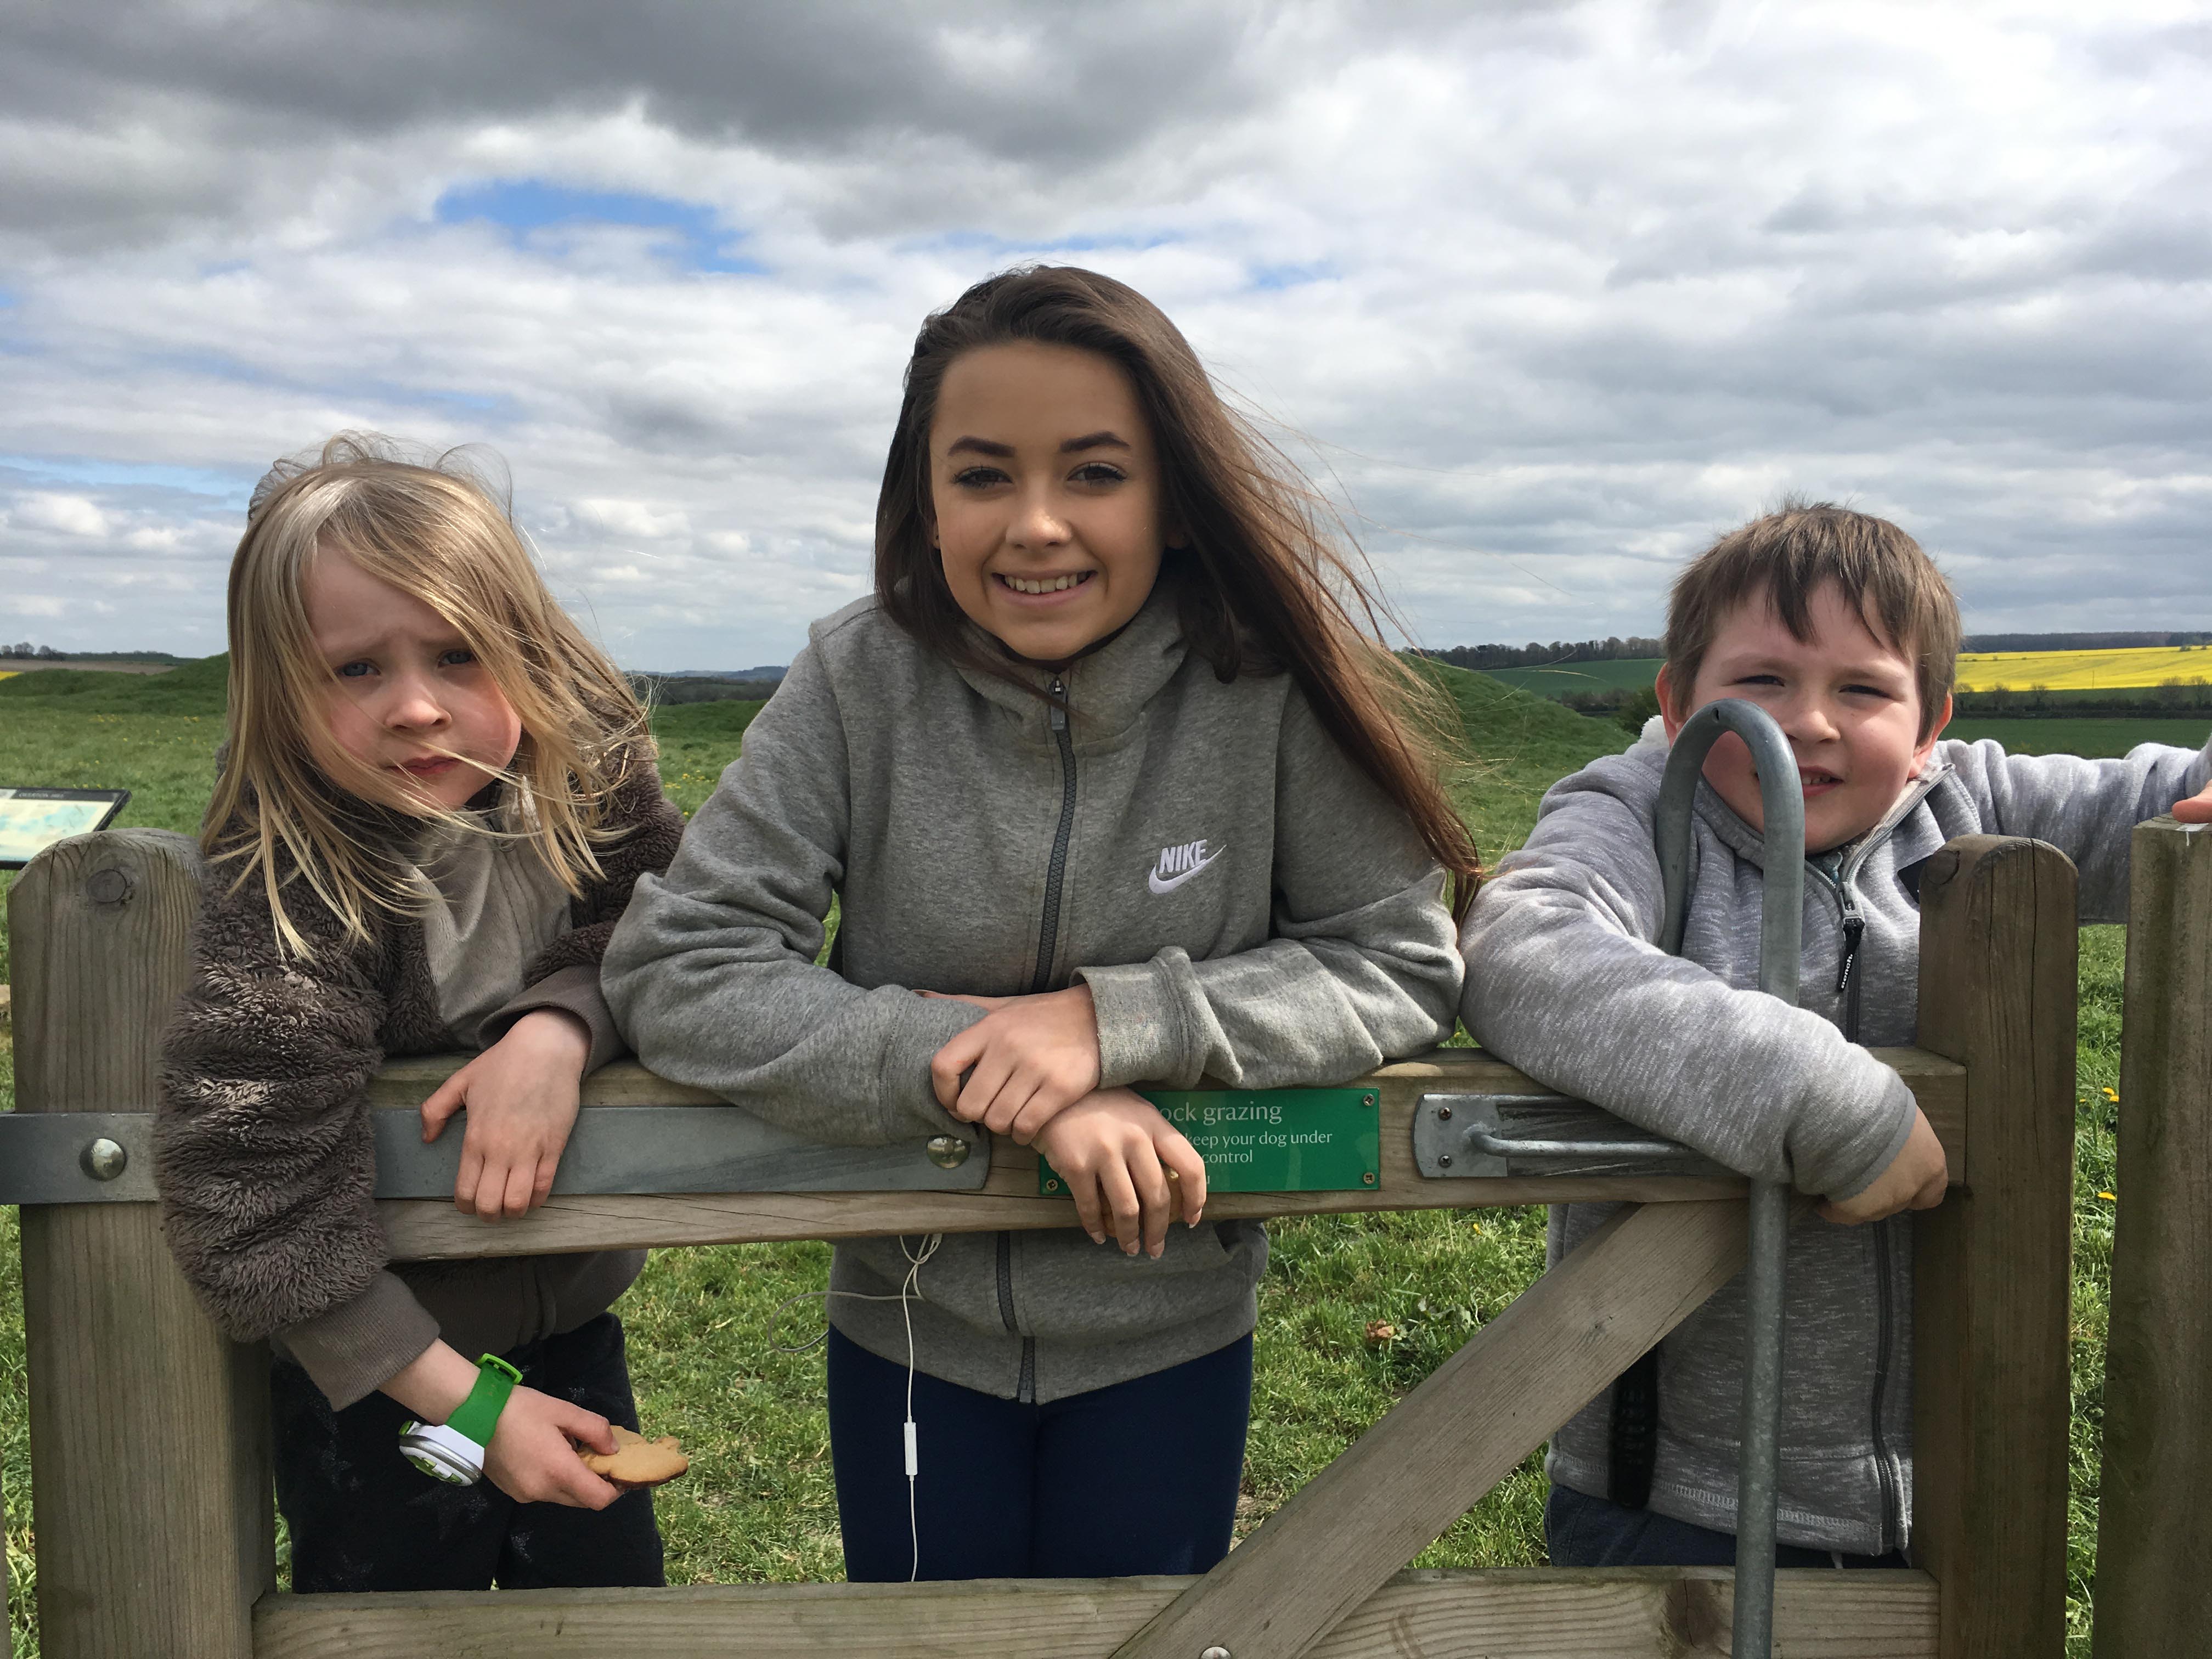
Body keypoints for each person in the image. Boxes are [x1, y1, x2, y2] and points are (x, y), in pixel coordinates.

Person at [602, 265, 1472, 1582]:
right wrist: (1005, 1072)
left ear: (1176, 496)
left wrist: (1109, 1024)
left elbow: (1399, 964)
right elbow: (683, 964)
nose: (1038, 525)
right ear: (925, 497)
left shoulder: (1264, 688)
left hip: (1170, 1330)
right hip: (905, 1327)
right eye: (984, 474)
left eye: (1098, 473)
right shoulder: (856, 678)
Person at [1461, 501, 2212, 1568]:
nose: (1807, 723)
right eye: (1762, 681)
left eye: (1862, 689)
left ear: (1929, 726)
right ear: (1677, 704)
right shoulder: (1636, 814)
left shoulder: (1975, 801)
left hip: (1954, 1483)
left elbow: (2171, 794)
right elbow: (1520, 951)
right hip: (1673, 1490)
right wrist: (1823, 1100)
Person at [154, 435, 685, 1593]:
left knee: (598, 1607)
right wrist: (475, 1407)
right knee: (399, 1611)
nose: (415, 708)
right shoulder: (291, 885)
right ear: (281, 690)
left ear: (528, 649)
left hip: (574, 1326)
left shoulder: (587, 794)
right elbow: (249, 1190)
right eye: (355, 671)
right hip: (381, 1370)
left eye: (458, 655)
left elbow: (676, 926)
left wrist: (560, 1025)